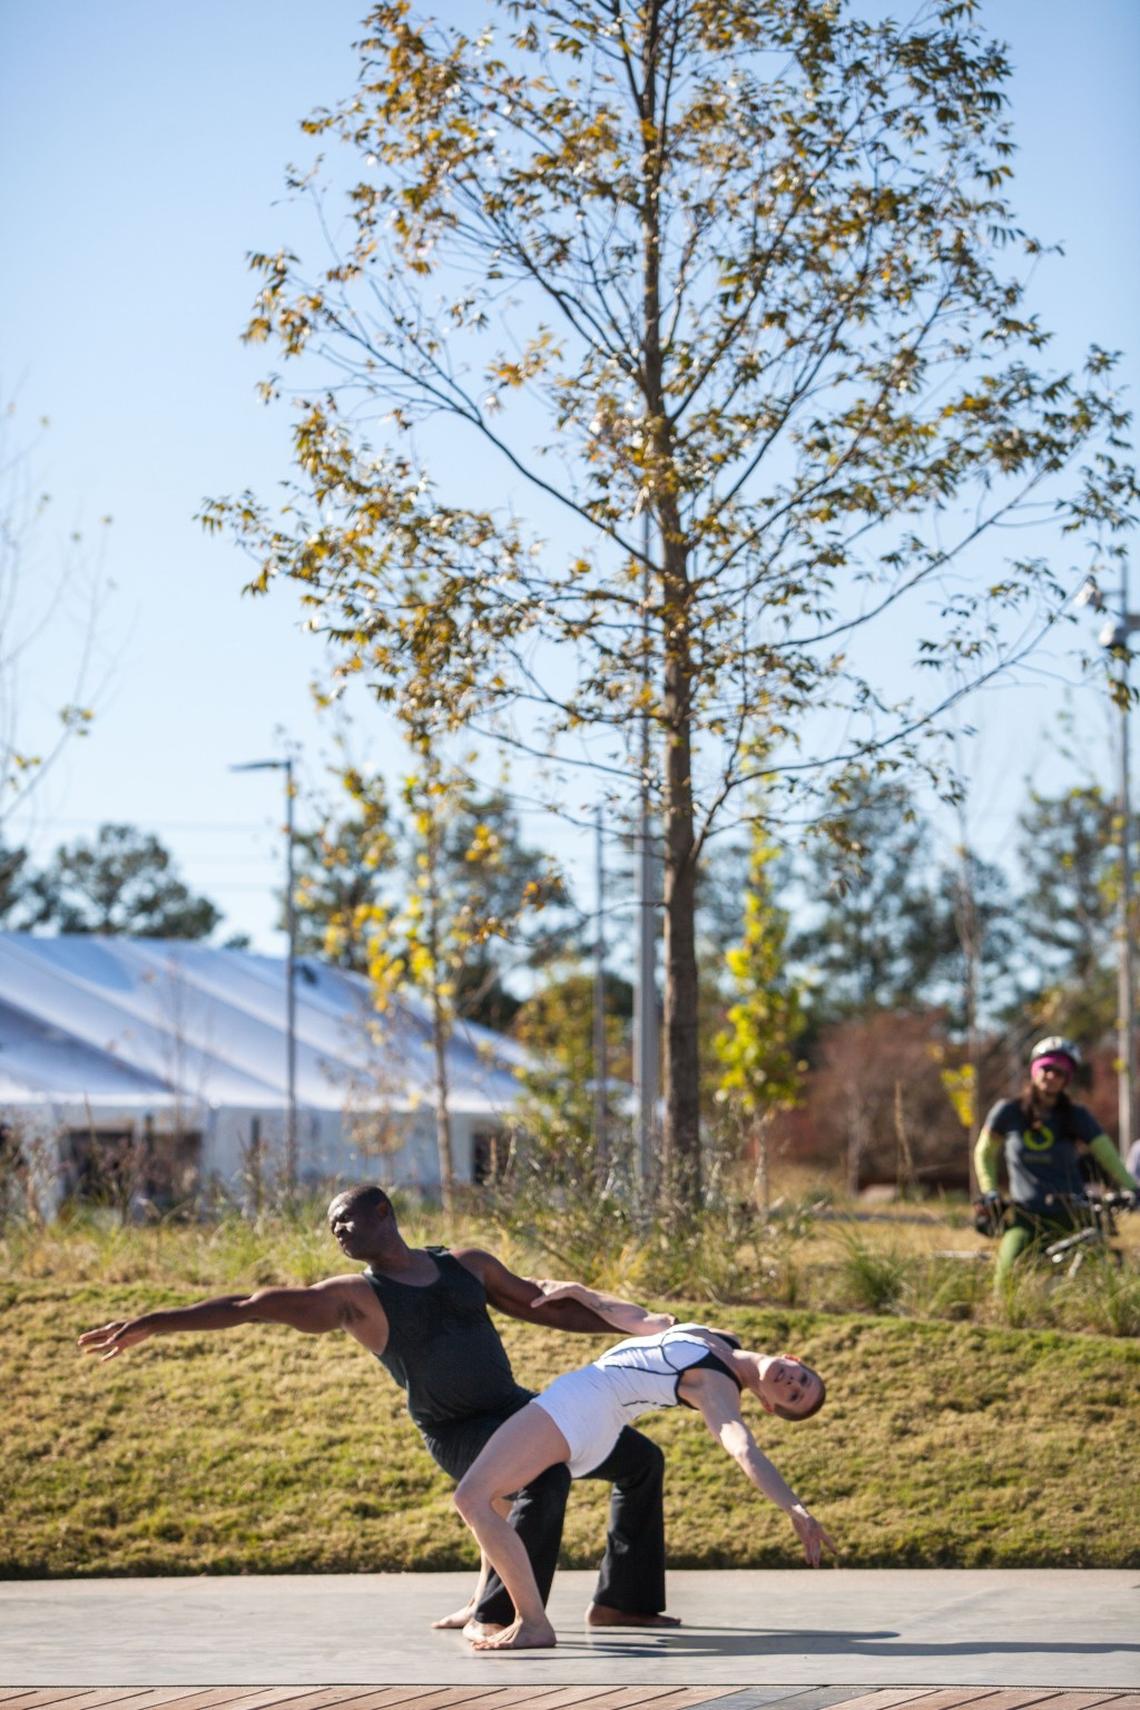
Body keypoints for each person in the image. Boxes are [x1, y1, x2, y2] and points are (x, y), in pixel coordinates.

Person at [78, 1182, 680, 1637]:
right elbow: (248, 1304)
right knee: (542, 1479)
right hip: (456, 1428)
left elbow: (545, 1306)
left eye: (345, 1219)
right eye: (330, 1228)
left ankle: (622, 1602)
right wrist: (155, 1323)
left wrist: (638, 1332)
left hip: (517, 1409)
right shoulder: (352, 1299)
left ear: (382, 1214)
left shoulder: (465, 1264)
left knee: (640, 1460)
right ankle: (502, 1618)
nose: (337, 1232)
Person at [451, 1306, 834, 1651]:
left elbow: (742, 1447)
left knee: (471, 1498)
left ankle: (531, 1622)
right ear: (792, 1359)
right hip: (601, 1421)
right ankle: (618, 1605)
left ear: (769, 1404)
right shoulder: (720, 1339)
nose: (792, 1383)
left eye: (794, 1396)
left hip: (576, 1411)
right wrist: (575, 1292)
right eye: (802, 1378)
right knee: (504, 1490)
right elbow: (639, 1318)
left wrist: (795, 1507)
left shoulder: (718, 1387)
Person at [974, 1036, 1140, 1286]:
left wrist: (1132, 1188)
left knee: (1097, 1277)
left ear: (1068, 1078)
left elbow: (1107, 1155)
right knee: (1005, 1279)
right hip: (1027, 1216)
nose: (1052, 1076)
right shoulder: (1009, 1111)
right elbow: (984, 1152)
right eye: (1047, 1068)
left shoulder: (1077, 1115)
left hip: (1073, 1215)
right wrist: (990, 1191)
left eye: (1060, 1071)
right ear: (1034, 1070)